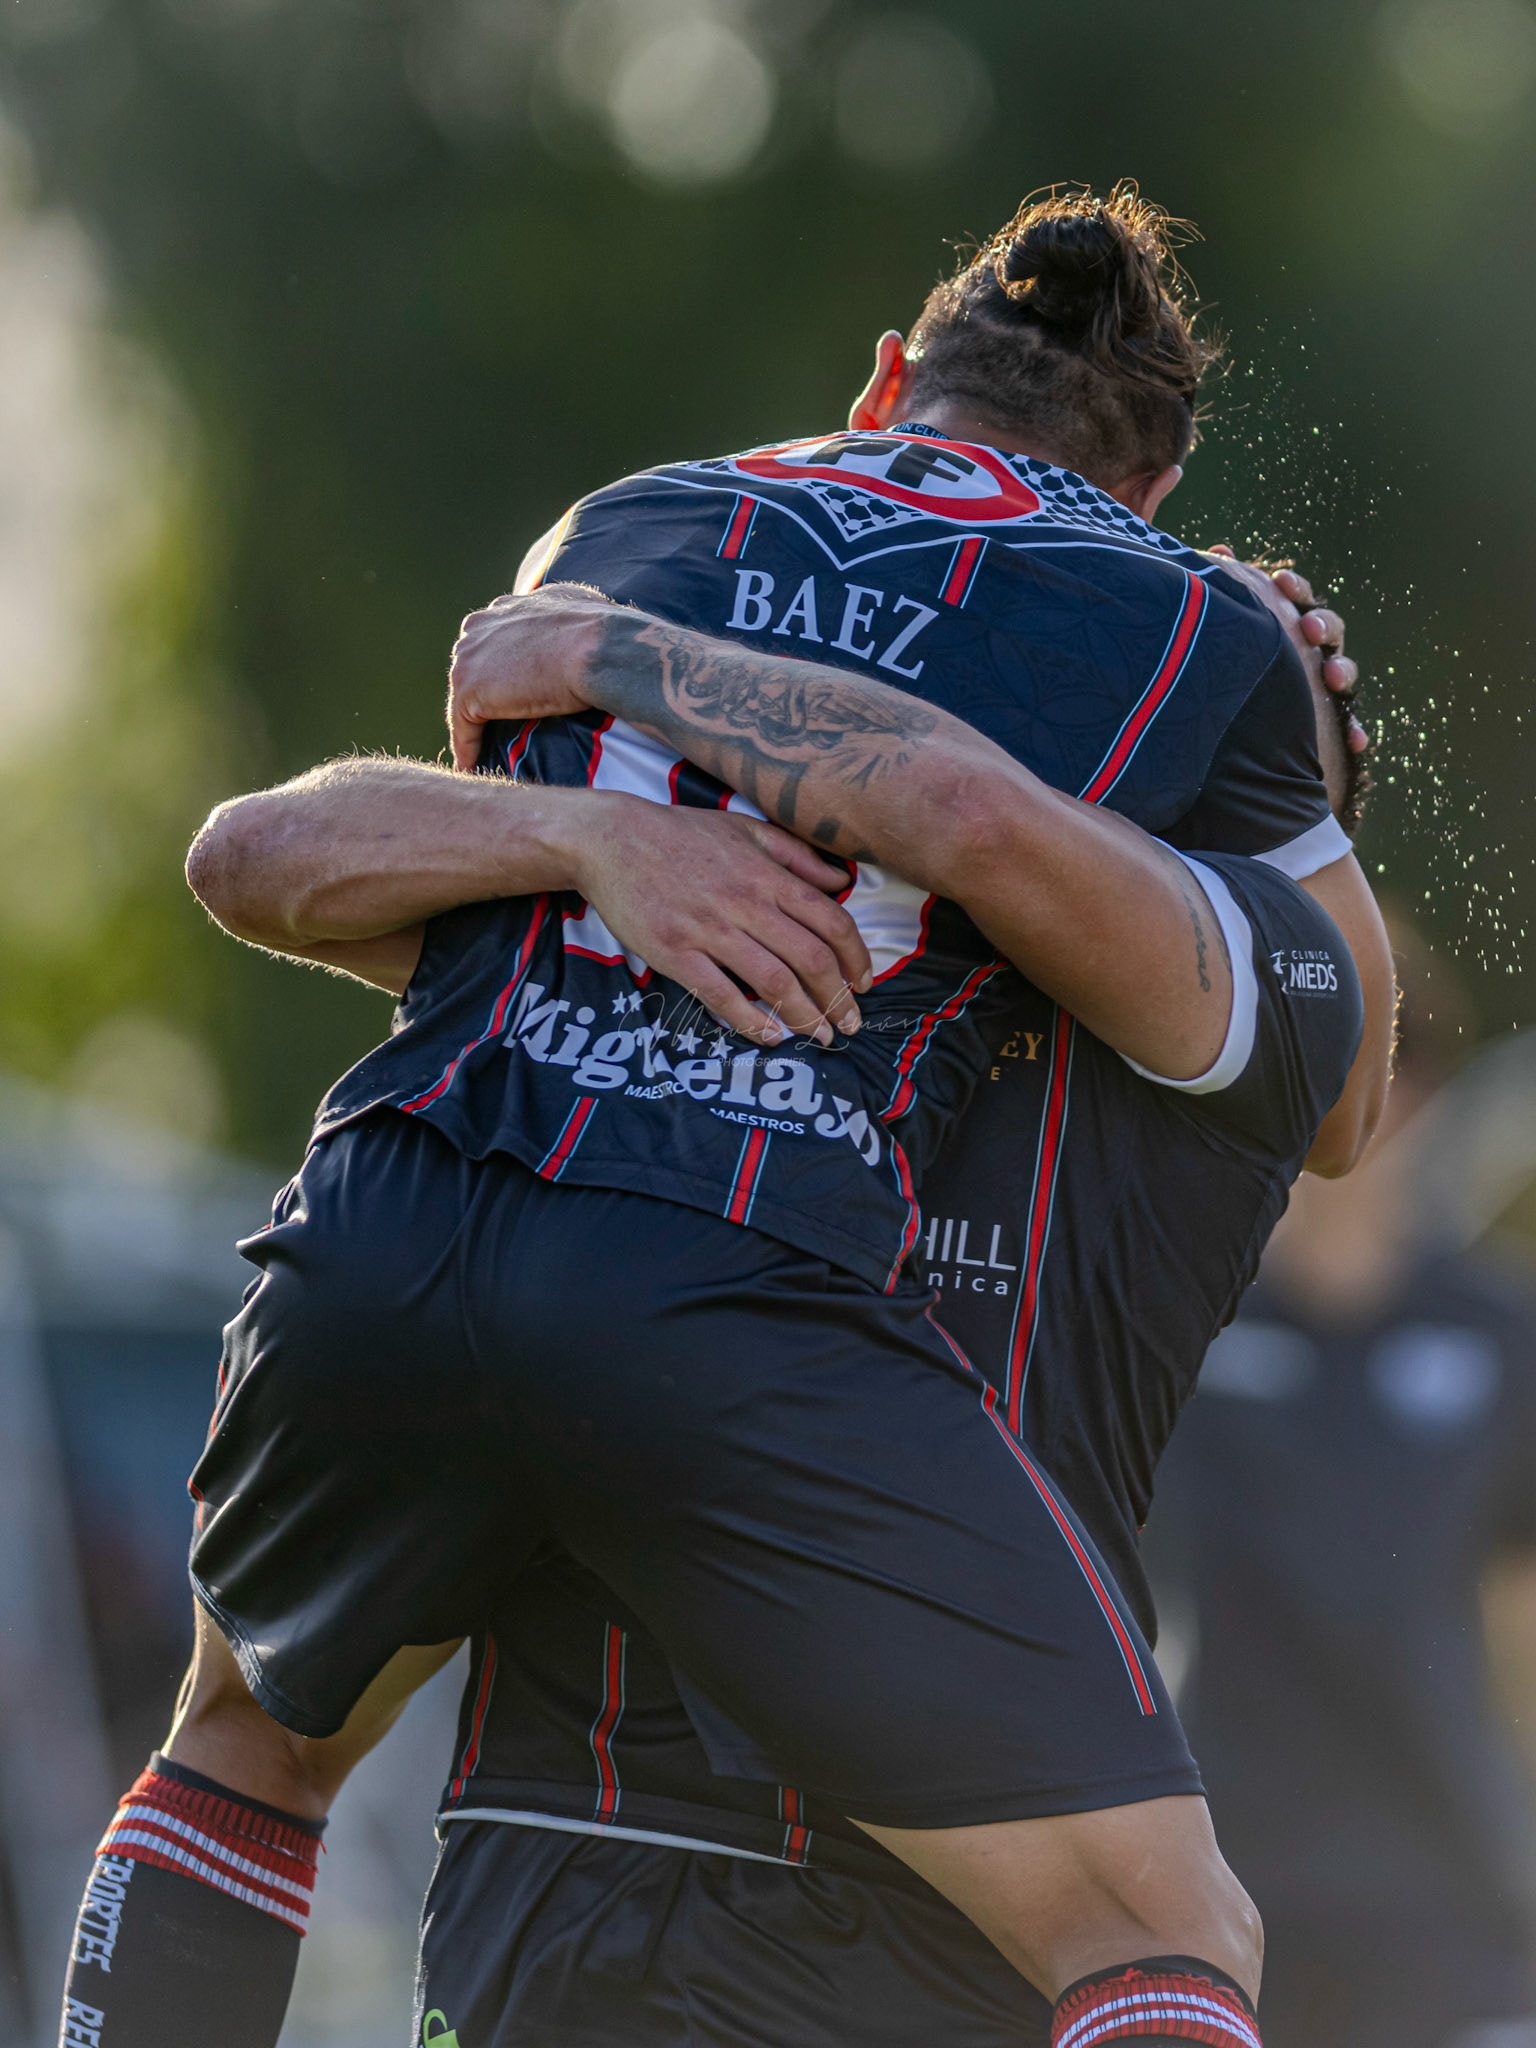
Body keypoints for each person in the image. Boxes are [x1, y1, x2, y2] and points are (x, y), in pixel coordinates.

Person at [59, 186, 1391, 2048]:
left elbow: (258, 860)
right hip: (713, 1274)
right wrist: (1267, 747)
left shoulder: (628, 524)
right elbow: (1320, 1070)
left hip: (381, 1223)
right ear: (1151, 488)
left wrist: (602, 739)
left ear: (882, 381)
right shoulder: (1163, 620)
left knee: (235, 1751)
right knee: (1161, 1922)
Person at [1148, 926, 1536, 2048]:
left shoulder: (1501, 1332)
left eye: (1379, 1074)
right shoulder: (1174, 1319)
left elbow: (1522, 1624)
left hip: (1451, 1898)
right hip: (1215, 1889)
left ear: (1424, 1095)